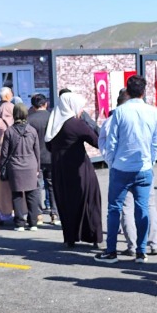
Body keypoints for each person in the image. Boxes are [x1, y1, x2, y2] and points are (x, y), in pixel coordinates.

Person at [95, 75, 157, 263]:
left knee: (114, 209)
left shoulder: (120, 112)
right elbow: (156, 142)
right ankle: (141, 251)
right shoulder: (153, 112)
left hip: (121, 167)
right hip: (144, 167)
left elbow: (111, 141)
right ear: (143, 91)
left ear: (128, 91)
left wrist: (112, 162)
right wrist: (150, 161)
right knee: (143, 209)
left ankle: (111, 251)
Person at [46, 91, 103, 248]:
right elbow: (96, 141)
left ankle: (70, 238)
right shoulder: (75, 124)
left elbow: (48, 145)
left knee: (66, 203)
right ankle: (93, 236)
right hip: (79, 169)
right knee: (90, 200)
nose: (81, 110)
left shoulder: (54, 123)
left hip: (60, 169)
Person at [0, 103, 41, 231]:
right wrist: (37, 168)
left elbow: (4, 153)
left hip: (15, 166)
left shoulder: (9, 131)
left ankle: (19, 223)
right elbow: (37, 152)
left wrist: (2, 167)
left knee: (17, 196)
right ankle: (33, 223)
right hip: (31, 165)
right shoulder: (32, 130)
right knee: (32, 195)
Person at [27, 93, 59, 225]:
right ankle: (54, 215)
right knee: (52, 186)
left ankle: (38, 215)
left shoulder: (29, 120)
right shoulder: (52, 118)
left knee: (37, 186)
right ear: (45, 104)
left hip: (35, 158)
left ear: (33, 106)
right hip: (51, 156)